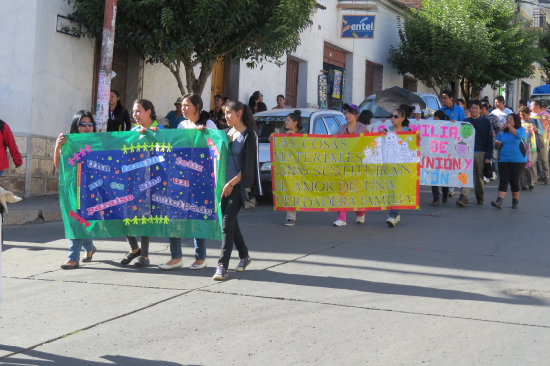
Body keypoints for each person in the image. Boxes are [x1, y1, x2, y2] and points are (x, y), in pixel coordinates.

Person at [160, 93, 217, 271]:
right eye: (182, 106)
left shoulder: (208, 124)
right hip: (181, 177)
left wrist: (206, 136)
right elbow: (175, 148)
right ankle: (176, 257)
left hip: (201, 179)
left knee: (197, 215)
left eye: (187, 106)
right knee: (175, 214)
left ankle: (200, 258)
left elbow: (217, 148)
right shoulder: (181, 125)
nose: (183, 109)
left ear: (197, 107)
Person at [212, 101, 262, 281]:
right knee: (231, 224)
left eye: (228, 113)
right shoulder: (226, 133)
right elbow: (210, 145)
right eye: (224, 114)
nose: (225, 117)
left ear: (239, 113)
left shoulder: (250, 135)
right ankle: (244, 256)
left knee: (226, 224)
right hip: (223, 186)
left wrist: (231, 184)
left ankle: (222, 266)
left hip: (238, 187)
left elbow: (248, 168)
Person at [120, 99, 165, 267]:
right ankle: (134, 249)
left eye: (138, 111)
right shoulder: (133, 131)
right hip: (132, 180)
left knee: (145, 216)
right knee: (125, 214)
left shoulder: (159, 130)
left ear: (148, 112)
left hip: (152, 181)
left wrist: (155, 136)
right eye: (133, 111)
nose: (135, 115)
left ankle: (144, 256)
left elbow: (167, 151)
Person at [54, 110, 97, 269]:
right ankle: (82, 252)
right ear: (76, 126)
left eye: (90, 124)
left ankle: (80, 253)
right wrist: (58, 146)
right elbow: (59, 166)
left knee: (80, 220)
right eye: (83, 124)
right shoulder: (68, 143)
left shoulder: (98, 141)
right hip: (73, 188)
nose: (87, 127)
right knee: (76, 219)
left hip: (92, 188)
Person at [333, 104, 368, 227]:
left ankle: (360, 212)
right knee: (342, 191)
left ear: (356, 115)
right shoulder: (341, 129)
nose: (347, 115)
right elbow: (332, 143)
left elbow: (371, 144)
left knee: (357, 191)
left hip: (359, 166)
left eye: (350, 113)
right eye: (346, 113)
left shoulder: (363, 129)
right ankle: (341, 217)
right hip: (343, 166)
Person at [455, 100, 493, 207]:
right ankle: (463, 197)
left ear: (480, 110)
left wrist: (488, 156)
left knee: (479, 177)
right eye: (472, 108)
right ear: (469, 109)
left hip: (481, 152)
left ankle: (479, 196)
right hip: (467, 153)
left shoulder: (486, 122)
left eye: (476, 108)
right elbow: (459, 136)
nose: (474, 110)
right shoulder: (465, 121)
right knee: (465, 174)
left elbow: (490, 140)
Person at [491, 113, 527, 209]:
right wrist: (497, 144)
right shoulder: (502, 133)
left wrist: (510, 127)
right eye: (507, 119)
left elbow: (520, 136)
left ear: (516, 121)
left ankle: (515, 200)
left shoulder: (521, 130)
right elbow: (496, 145)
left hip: (518, 160)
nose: (508, 121)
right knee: (503, 180)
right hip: (503, 159)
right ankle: (499, 201)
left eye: (510, 119)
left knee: (514, 180)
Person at [384, 107, 411, 227]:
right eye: (392, 116)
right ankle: (396, 213)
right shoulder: (387, 130)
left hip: (402, 165)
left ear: (402, 118)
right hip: (389, 164)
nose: (392, 118)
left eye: (395, 116)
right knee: (391, 189)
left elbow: (413, 146)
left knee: (396, 189)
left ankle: (393, 215)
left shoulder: (407, 131)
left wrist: (418, 139)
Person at [280, 110, 305, 226]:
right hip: (286, 167)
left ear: (295, 123)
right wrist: (273, 138)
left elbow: (304, 149)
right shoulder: (282, 134)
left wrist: (294, 137)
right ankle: (291, 216)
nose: (285, 122)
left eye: (288, 120)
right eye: (286, 120)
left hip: (299, 168)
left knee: (295, 190)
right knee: (289, 190)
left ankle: (292, 214)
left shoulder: (303, 135)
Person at [430, 110, 449, 206]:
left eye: (435, 117)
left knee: (443, 177)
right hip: (434, 155)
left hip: (444, 156)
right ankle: (436, 198)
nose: (434, 119)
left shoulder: (447, 127)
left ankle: (445, 195)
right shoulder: (431, 127)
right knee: (434, 176)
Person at [519, 106, 539, 191]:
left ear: (528, 114)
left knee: (530, 165)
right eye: (521, 115)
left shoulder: (534, 121)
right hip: (521, 146)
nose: (522, 117)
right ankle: (524, 184)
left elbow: (541, 131)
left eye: (523, 115)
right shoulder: (519, 123)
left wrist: (535, 129)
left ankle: (531, 183)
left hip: (532, 146)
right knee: (522, 165)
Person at [531, 100, 550, 184]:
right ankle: (535, 178)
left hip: (543, 138)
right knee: (533, 160)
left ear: (537, 106)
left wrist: (547, 120)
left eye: (532, 106)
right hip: (532, 138)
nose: (531, 108)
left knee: (543, 159)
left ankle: (546, 176)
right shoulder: (531, 115)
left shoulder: (544, 114)